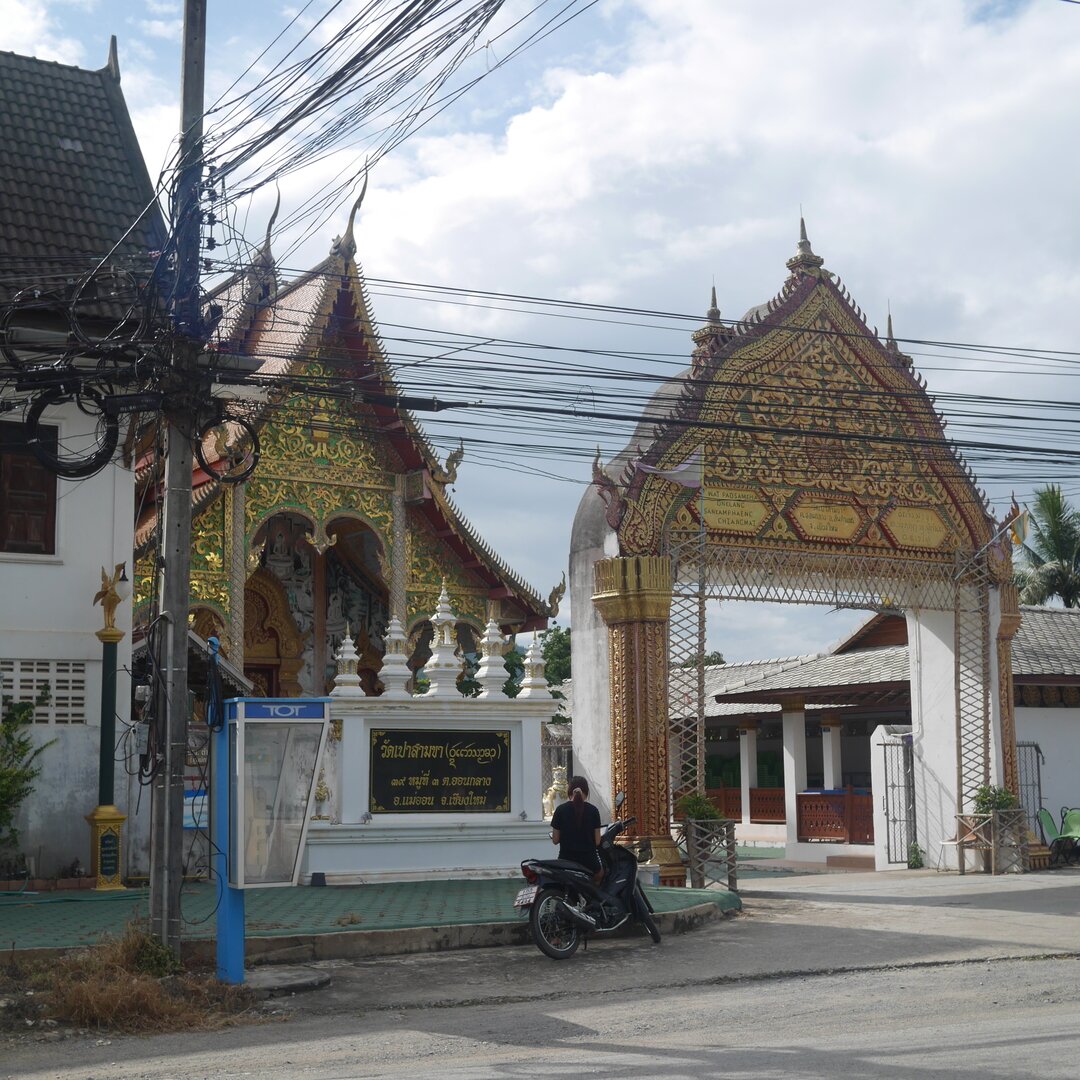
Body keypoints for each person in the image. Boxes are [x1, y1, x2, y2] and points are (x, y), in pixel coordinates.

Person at [550, 775, 603, 882]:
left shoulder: (560, 810)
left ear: (569, 791)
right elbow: (597, 841)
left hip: (566, 859)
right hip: (589, 861)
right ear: (586, 792)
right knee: (600, 874)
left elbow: (555, 840)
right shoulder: (593, 811)